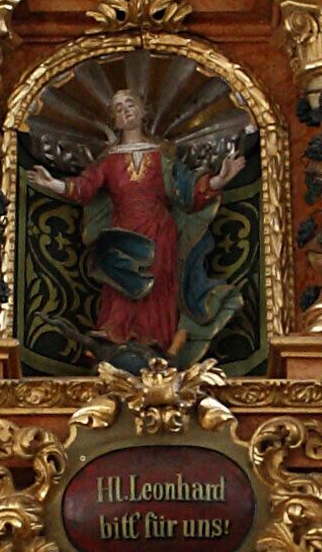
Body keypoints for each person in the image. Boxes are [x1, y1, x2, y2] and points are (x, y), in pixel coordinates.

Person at [24, 87, 252, 360]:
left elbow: (188, 194)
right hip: (121, 230)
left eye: (130, 104)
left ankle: (155, 340)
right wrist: (53, 184)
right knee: (120, 281)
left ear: (144, 111)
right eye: (118, 109)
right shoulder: (108, 160)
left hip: (159, 231)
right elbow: (84, 189)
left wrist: (219, 180)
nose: (125, 111)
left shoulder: (163, 155)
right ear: (115, 121)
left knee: (156, 284)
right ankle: (116, 334)